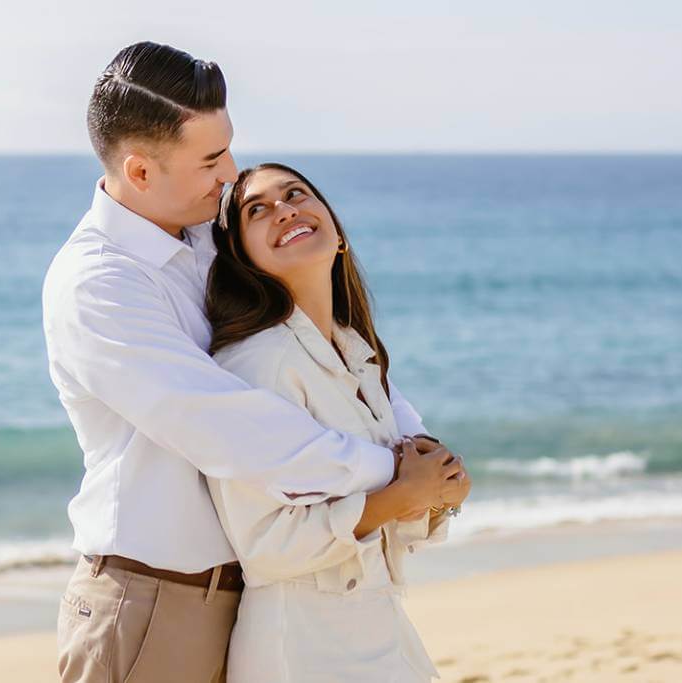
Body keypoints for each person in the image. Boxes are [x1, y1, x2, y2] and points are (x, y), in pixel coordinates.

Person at [42, 41, 466, 683]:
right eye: (211, 159)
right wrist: (392, 473)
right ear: (140, 173)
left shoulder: (209, 239)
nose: (228, 174)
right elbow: (227, 426)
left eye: (227, 147)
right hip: (155, 601)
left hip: (254, 593)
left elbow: (336, 349)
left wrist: (418, 444)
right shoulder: (98, 284)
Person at [203, 162, 471, 683]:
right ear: (244, 259)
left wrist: (442, 494)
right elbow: (265, 547)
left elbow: (405, 501)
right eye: (257, 210)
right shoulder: (257, 364)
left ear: (338, 232)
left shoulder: (357, 353)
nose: (285, 210)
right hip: (304, 644)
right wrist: (404, 495)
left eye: (295, 193)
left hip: (380, 625)